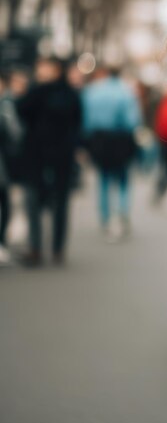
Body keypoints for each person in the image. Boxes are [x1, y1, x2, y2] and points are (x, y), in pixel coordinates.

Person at [16, 57, 82, 266]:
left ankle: (47, 248)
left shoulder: (49, 92)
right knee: (41, 202)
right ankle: (46, 248)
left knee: (49, 202)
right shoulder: (67, 93)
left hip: (49, 154)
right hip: (47, 155)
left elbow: (23, 110)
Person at [82, 66, 141, 240]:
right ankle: (122, 213)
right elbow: (132, 121)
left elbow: (86, 121)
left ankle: (105, 217)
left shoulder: (92, 91)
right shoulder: (126, 92)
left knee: (103, 178)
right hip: (120, 139)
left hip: (99, 139)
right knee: (123, 178)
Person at [0, 72, 23, 265]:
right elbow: (16, 135)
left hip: (3, 165)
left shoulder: (6, 107)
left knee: (5, 203)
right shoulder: (6, 108)